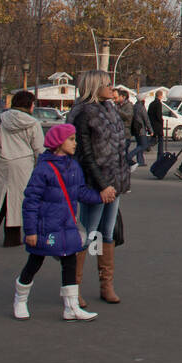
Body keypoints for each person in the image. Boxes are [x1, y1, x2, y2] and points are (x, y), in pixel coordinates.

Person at [13, 124, 116, 321]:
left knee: (70, 263)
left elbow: (79, 192)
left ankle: (72, 306)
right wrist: (31, 231)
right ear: (58, 143)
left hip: (67, 226)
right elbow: (31, 201)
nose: (75, 143)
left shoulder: (73, 166)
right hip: (45, 228)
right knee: (34, 263)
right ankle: (20, 299)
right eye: (71, 139)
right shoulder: (43, 169)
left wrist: (100, 196)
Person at [66, 70, 130, 307]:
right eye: (108, 84)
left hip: (114, 181)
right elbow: (84, 154)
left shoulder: (110, 109)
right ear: (95, 87)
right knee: (87, 233)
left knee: (107, 232)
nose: (112, 89)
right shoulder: (84, 113)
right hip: (94, 183)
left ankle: (106, 284)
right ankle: (74, 286)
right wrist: (102, 186)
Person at [0, 90, 44, 246]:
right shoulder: (33, 123)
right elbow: (39, 149)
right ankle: (12, 238)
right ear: (30, 105)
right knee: (17, 201)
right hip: (22, 165)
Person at [128, 90, 151, 170]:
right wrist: (150, 129)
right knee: (144, 145)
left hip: (135, 128)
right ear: (142, 100)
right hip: (141, 129)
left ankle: (140, 161)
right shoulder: (141, 107)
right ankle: (130, 155)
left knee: (139, 144)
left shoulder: (134, 106)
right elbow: (146, 119)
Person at [148, 89, 166, 163]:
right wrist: (161, 121)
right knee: (160, 140)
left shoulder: (151, 103)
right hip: (158, 125)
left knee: (153, 139)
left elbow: (148, 113)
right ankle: (160, 156)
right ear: (160, 96)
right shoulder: (158, 104)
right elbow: (159, 115)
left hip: (152, 124)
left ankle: (146, 146)